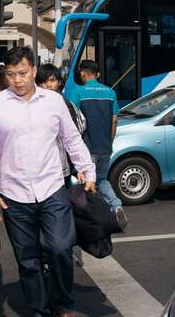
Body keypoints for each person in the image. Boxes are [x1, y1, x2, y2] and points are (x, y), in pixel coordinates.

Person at [0, 46, 96, 317]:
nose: (17, 80)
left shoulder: (53, 102)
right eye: (10, 74)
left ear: (34, 70)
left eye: (23, 73)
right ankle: (38, 310)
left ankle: (63, 305)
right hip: (13, 196)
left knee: (61, 248)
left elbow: (72, 139)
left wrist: (87, 170)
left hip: (52, 189)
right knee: (27, 260)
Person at [67, 60, 128, 230]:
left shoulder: (78, 92)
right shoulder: (110, 92)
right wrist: (111, 139)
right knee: (101, 180)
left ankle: (92, 219)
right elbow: (115, 119)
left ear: (83, 74)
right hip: (105, 147)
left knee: (83, 183)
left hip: (87, 149)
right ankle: (116, 207)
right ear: (98, 74)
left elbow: (71, 120)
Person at [35, 63, 86, 188]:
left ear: (59, 82)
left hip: (61, 166)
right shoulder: (32, 104)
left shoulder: (65, 104)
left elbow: (77, 132)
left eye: (52, 80)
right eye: (43, 81)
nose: (48, 85)